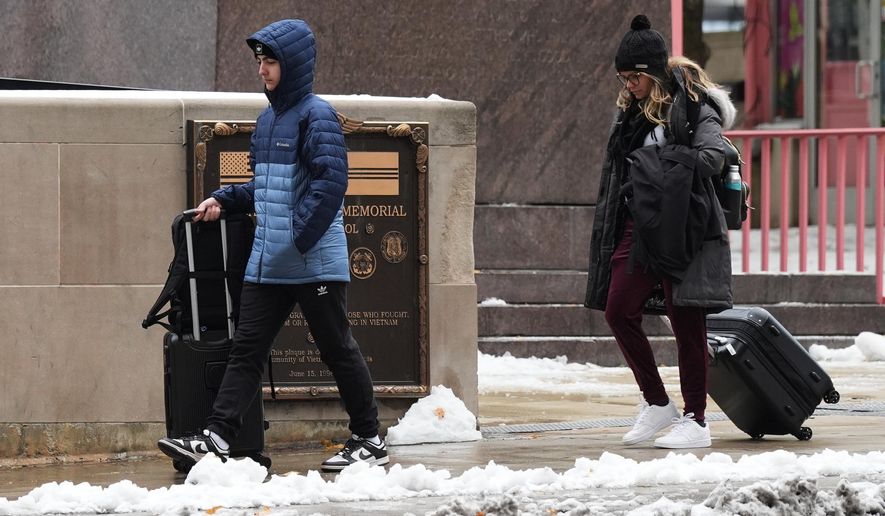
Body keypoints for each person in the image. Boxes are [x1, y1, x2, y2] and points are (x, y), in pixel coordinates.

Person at [157, 19, 388, 472]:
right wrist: (224, 199)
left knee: (336, 348)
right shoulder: (268, 120)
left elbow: (331, 182)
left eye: (270, 61)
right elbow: (267, 187)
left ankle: (369, 438)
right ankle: (218, 438)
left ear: (294, 64)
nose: (262, 70)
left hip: (312, 262)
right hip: (272, 262)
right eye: (259, 61)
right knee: (247, 349)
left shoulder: (316, 115)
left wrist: (298, 236)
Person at [584, 15, 736, 449]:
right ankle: (657, 403)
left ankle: (697, 420)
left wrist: (660, 164)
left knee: (687, 322)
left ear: (653, 72)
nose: (628, 84)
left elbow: (712, 156)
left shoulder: (691, 107)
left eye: (635, 76)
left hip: (682, 226)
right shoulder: (629, 113)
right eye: (623, 77)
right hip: (637, 226)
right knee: (617, 309)